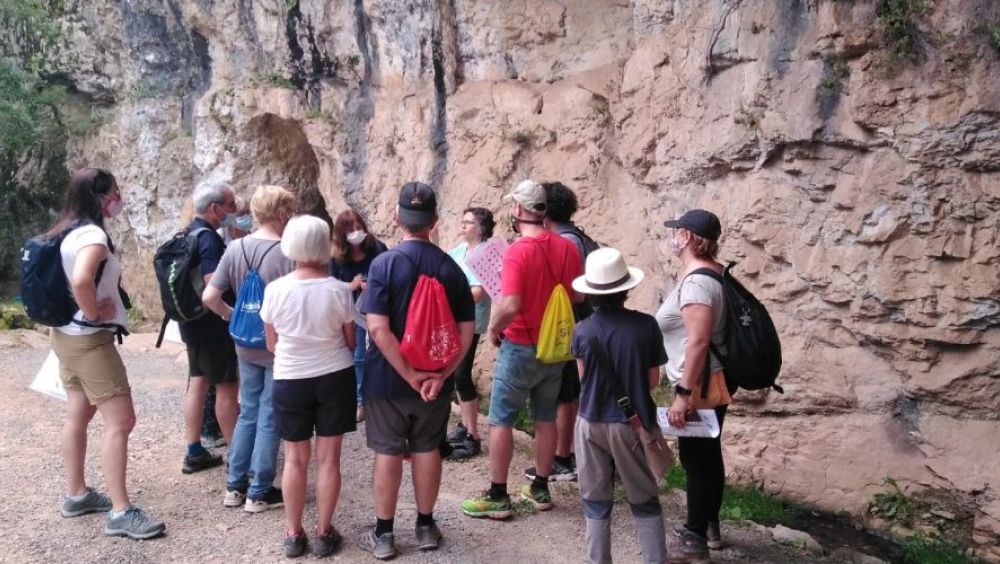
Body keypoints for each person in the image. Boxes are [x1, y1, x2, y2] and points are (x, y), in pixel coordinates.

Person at [359, 182, 475, 560]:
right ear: (434, 222)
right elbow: (466, 332)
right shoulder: (451, 269)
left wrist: (408, 375)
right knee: (427, 448)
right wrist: (440, 376)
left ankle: (384, 534)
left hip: (388, 378)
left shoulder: (383, 264)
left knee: (388, 452)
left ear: (397, 218)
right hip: (434, 377)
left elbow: (377, 327)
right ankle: (425, 526)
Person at [49, 167, 165, 539]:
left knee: (79, 413)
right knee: (121, 421)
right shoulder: (93, 235)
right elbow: (83, 279)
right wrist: (94, 312)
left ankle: (77, 494)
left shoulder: (66, 229)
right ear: (100, 197)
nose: (119, 197)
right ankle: (120, 512)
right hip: (89, 340)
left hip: (65, 336)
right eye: (115, 191)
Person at [460, 179, 582, 519]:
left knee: (500, 420)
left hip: (521, 344)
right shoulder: (568, 248)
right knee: (546, 417)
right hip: (555, 348)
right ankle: (540, 488)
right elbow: (578, 296)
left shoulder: (517, 251)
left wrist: (495, 329)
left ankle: (498, 495)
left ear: (518, 209)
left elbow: (510, 303)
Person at [259, 215, 358, 558]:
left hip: (289, 378)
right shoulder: (340, 290)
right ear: (324, 246)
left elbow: (271, 344)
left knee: (295, 460)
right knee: (329, 460)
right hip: (335, 376)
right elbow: (350, 341)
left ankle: (293, 532)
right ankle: (324, 531)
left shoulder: (275, 290)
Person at [203, 185, 297, 513]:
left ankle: (235, 487)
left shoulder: (235, 248)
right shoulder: (290, 252)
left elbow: (209, 298)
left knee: (248, 413)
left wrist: (233, 318)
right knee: (271, 416)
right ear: (282, 212)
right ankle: (259, 491)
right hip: (277, 346)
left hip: (244, 343)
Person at [571, 248, 667, 564]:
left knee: (596, 500)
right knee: (644, 499)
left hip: (589, 423)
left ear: (591, 293)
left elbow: (583, 379)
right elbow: (652, 381)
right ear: (625, 288)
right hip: (632, 423)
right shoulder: (646, 326)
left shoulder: (582, 330)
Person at [656, 209, 730, 563]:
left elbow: (698, 341)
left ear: (688, 237)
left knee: (697, 458)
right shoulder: (713, 273)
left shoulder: (699, 281)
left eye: (678, 231)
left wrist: (684, 395)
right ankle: (708, 523)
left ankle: (695, 538)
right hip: (704, 377)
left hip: (699, 381)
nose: (673, 237)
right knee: (705, 454)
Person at [523, 181, 598, 482]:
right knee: (570, 391)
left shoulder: (564, 241)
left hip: (570, 326)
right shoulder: (578, 236)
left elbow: (568, 292)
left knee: (567, 394)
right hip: (583, 323)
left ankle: (562, 456)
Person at [178, 183, 241, 474]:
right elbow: (212, 282)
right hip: (212, 324)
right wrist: (229, 315)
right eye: (230, 205)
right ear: (215, 208)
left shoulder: (184, 233)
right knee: (227, 388)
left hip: (190, 323)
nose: (234, 210)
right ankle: (237, 459)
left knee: (198, 383)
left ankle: (194, 450)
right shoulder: (208, 239)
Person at [443, 207, 495, 460]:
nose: (463, 226)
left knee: (462, 375)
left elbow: (477, 293)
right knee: (457, 375)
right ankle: (465, 426)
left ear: (481, 227)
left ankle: (473, 435)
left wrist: (450, 293)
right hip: (455, 320)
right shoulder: (460, 251)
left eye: (469, 222)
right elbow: (442, 270)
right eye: (462, 221)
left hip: (472, 322)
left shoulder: (486, 254)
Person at [330, 209, 388, 423]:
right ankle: (360, 401)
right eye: (350, 230)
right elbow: (331, 285)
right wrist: (352, 285)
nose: (356, 233)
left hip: (377, 307)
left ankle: (380, 397)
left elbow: (390, 272)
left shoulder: (377, 247)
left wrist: (373, 285)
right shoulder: (337, 257)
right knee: (358, 356)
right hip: (353, 311)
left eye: (358, 228)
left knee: (381, 349)